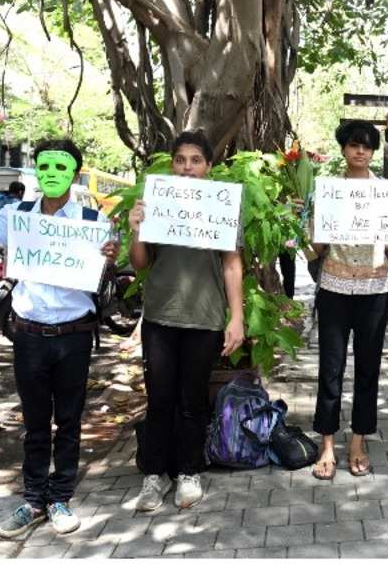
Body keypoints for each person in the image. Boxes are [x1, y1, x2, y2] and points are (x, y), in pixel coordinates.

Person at [0, 139, 119, 537]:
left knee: (70, 420)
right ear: (37, 170)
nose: (52, 174)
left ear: (75, 174)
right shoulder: (15, 216)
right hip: (29, 336)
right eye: (45, 166)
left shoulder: (93, 221)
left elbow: (104, 268)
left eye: (61, 168)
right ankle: (33, 500)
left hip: (75, 335)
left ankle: (60, 498)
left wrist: (110, 253)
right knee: (35, 422)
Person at [128, 129, 245, 511]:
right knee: (159, 398)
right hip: (161, 315)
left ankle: (188, 471)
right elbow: (140, 263)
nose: (187, 167)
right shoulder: (156, 203)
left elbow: (231, 264)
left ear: (209, 166)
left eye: (196, 160)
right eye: (181, 160)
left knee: (193, 399)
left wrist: (237, 316)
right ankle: (153, 475)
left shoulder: (223, 205)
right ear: (172, 164)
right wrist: (137, 230)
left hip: (205, 318)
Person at [310, 120, 388, 480]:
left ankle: (357, 442)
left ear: (374, 151)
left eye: (367, 146)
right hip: (334, 288)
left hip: (373, 291)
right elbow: (315, 247)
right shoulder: (327, 192)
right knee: (330, 369)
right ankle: (326, 445)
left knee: (368, 370)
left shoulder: (387, 194)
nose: (360, 151)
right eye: (354, 144)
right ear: (343, 149)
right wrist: (314, 227)